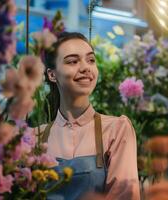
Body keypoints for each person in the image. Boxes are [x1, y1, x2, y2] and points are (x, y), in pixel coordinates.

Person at [39, 32, 140, 200]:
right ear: (52, 74)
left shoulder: (116, 130)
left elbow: (124, 195)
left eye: (91, 60)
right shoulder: (34, 138)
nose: (86, 67)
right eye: (73, 61)